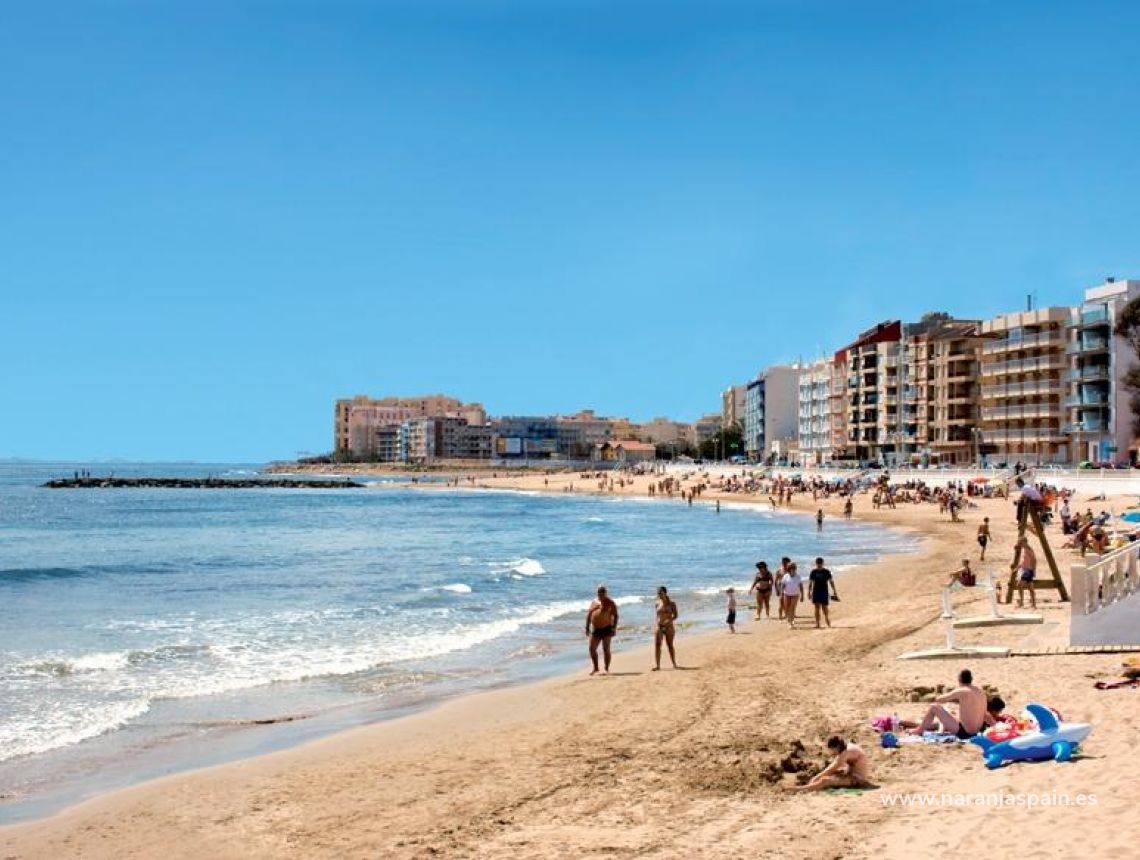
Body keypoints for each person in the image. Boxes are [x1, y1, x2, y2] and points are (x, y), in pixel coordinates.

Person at [908, 669, 988, 739]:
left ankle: (919, 730)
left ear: (959, 679)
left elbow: (939, 699)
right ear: (971, 679)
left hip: (964, 732)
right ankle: (926, 727)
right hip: (977, 731)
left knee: (934, 707)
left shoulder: (962, 690)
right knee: (951, 714)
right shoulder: (981, 692)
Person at [792, 737, 873, 792]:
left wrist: (814, 779)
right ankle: (809, 786)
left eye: (833, 750)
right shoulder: (847, 748)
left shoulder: (846, 753)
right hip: (853, 774)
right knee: (830, 775)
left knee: (825, 781)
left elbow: (831, 769)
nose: (832, 752)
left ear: (837, 747)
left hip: (858, 779)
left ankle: (800, 789)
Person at [585, 585, 619, 676]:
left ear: (606, 593)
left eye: (603, 591)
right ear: (597, 592)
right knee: (592, 649)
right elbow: (589, 615)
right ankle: (596, 668)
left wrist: (614, 628)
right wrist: (587, 627)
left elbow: (616, 616)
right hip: (595, 629)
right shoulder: (594, 602)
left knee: (606, 649)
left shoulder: (610, 602)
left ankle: (606, 668)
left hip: (607, 628)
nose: (601, 593)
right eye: (599, 591)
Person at [808, 557, 839, 628]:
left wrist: (834, 590)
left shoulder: (826, 572)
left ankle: (827, 619)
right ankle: (817, 623)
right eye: (818, 563)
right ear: (816, 564)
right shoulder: (813, 572)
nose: (819, 565)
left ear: (823, 563)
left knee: (824, 607)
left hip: (824, 592)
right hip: (815, 592)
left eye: (820, 563)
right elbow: (810, 583)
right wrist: (809, 592)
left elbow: (831, 581)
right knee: (816, 608)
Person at [653, 586, 679, 670]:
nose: (659, 595)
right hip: (659, 626)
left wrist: (669, 620)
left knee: (670, 645)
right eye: (658, 593)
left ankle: (674, 663)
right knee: (657, 645)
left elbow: (676, 615)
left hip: (669, 627)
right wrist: (657, 623)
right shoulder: (657, 603)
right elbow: (657, 615)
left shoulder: (672, 604)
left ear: (665, 593)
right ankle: (658, 666)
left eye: (660, 593)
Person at [1013, 536, 1037, 609]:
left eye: (1021, 542)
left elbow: (1034, 560)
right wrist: (1017, 568)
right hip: (1026, 569)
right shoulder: (1025, 549)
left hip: (1027, 570)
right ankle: (1033, 604)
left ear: (1024, 542)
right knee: (1030, 588)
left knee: (1020, 585)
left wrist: (1034, 570)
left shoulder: (1028, 549)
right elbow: (1024, 561)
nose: (1020, 544)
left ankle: (1022, 603)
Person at [782, 563, 804, 628]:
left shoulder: (798, 576)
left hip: (795, 594)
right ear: (789, 569)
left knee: (792, 607)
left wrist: (802, 595)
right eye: (791, 568)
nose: (793, 570)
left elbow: (801, 586)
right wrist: (781, 594)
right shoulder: (785, 576)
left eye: (794, 568)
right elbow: (783, 585)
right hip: (786, 594)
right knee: (787, 608)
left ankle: (791, 622)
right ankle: (790, 619)